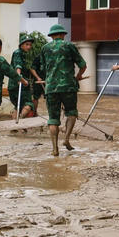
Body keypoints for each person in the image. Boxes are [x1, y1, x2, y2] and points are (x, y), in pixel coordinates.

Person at [41, 23, 87, 156]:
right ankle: (66, 139)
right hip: (68, 86)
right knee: (71, 113)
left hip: (51, 88)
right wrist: (78, 76)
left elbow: (44, 68)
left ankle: (54, 149)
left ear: (51, 36)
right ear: (62, 35)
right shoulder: (69, 46)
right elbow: (83, 65)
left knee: (53, 119)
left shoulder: (45, 48)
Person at [10, 35, 45, 117]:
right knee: (29, 104)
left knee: (17, 106)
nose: (29, 47)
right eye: (27, 44)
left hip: (15, 84)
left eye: (30, 45)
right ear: (21, 45)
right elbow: (18, 66)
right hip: (21, 83)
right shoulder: (18, 53)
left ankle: (15, 128)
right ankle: (20, 121)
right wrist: (19, 79)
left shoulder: (23, 54)